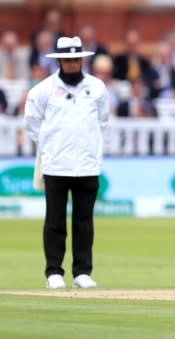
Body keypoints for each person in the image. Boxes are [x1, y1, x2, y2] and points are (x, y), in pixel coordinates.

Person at [24, 36, 109, 289]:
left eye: (76, 59)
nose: (72, 64)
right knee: (55, 220)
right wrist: (50, 147)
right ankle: (54, 272)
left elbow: (102, 122)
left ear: (81, 60)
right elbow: (32, 124)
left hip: (86, 165)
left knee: (84, 221)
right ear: (59, 60)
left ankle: (82, 272)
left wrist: (89, 148)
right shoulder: (43, 90)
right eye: (68, 59)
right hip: (56, 165)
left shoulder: (97, 88)